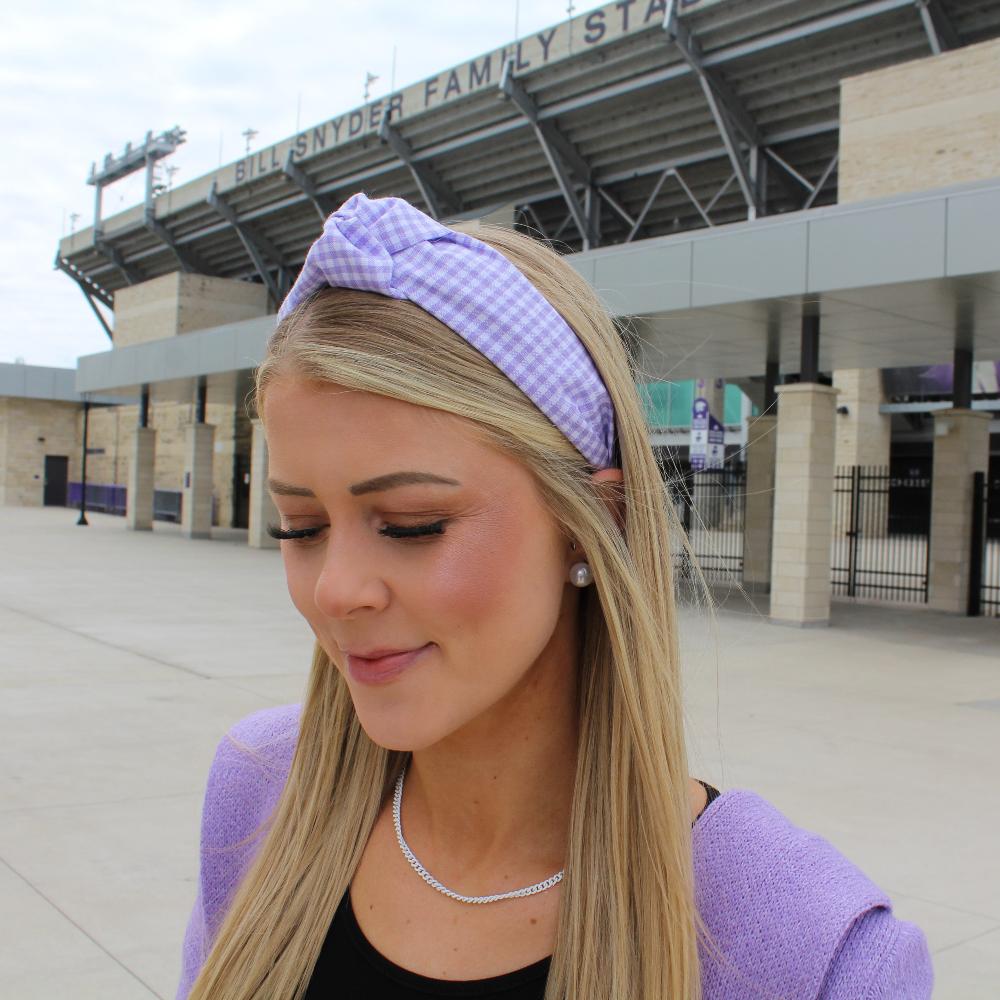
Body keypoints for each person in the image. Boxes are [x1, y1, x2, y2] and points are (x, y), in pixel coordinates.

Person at [176, 193, 933, 1000]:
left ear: (587, 525)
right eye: (301, 527)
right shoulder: (257, 793)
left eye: (411, 524)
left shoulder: (818, 958)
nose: (335, 591)